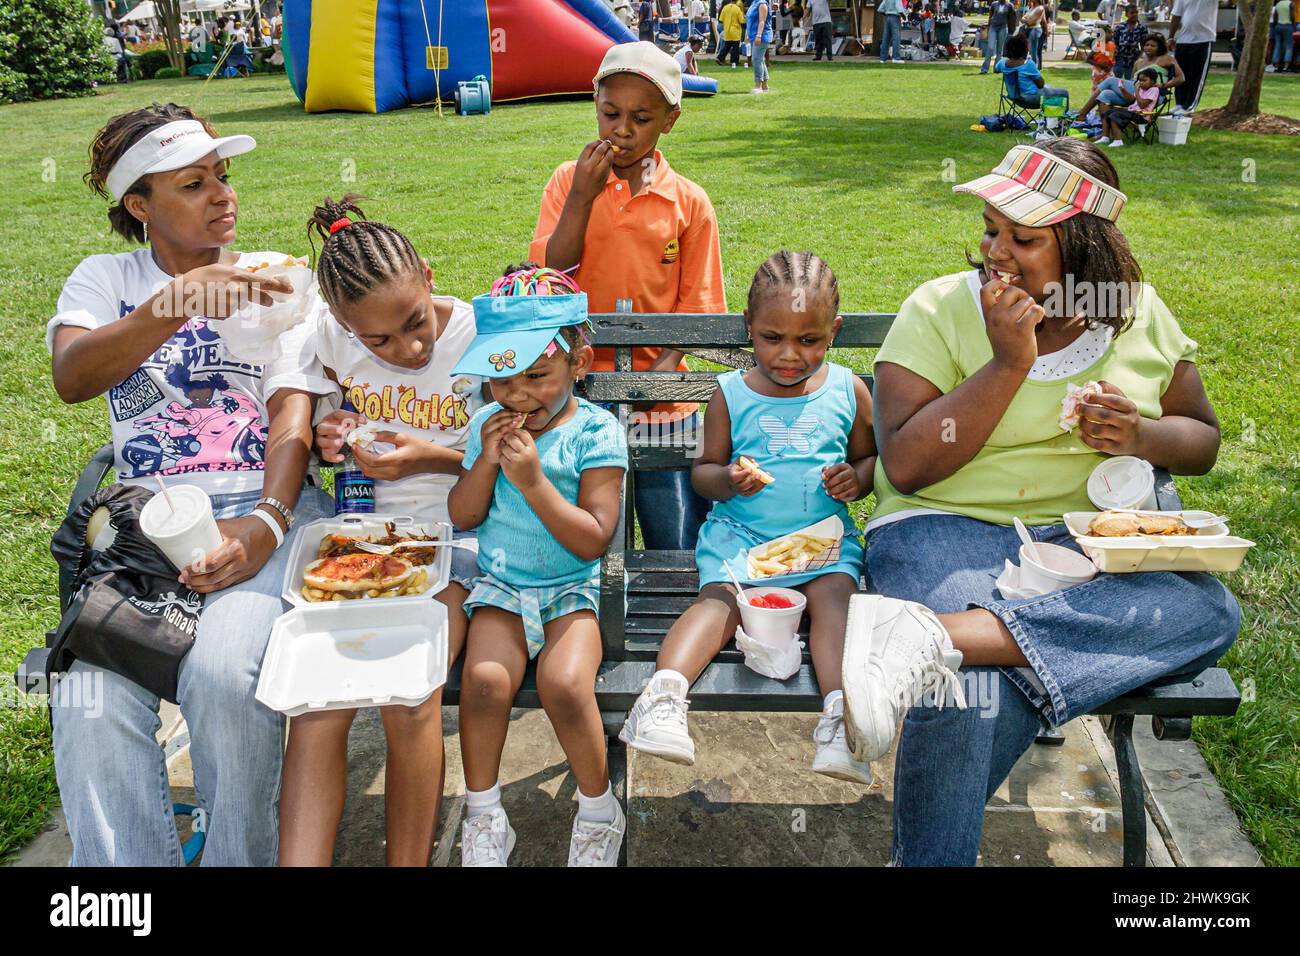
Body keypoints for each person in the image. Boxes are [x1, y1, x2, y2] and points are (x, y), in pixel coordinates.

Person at [851, 138, 1240, 866]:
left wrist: (1141, 434)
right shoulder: (939, 307)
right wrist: (1007, 364)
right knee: (970, 694)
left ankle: (930, 634)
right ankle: (953, 649)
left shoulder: (1135, 313)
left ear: (1085, 248)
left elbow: (1204, 441)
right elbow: (906, 464)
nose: (996, 250)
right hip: (943, 525)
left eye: (1023, 237)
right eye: (992, 229)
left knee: (1209, 611)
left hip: (1081, 542)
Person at [47, 103, 332, 866]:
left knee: (223, 675)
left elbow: (291, 411)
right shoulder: (108, 280)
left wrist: (268, 522)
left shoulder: (275, 277)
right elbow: (73, 376)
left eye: (224, 177)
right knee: (87, 697)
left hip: (260, 510)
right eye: (194, 183)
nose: (223, 195)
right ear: (139, 205)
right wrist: (177, 301)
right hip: (147, 526)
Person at [274, 197, 483, 867]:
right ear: (341, 323)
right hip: (364, 538)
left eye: (415, 323)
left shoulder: (480, 338)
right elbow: (323, 431)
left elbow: (514, 461)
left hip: (461, 536)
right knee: (314, 702)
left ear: (427, 275)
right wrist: (331, 434)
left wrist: (426, 456)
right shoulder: (329, 341)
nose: (408, 348)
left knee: (410, 694)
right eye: (380, 341)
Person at [619, 252, 876, 784]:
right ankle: (664, 695)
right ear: (748, 330)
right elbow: (703, 473)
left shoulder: (849, 390)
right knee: (719, 604)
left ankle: (838, 717)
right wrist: (730, 479)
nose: (788, 355)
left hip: (821, 545)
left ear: (835, 331)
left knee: (837, 603)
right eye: (771, 337)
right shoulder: (731, 395)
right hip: (742, 539)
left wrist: (857, 478)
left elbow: (868, 459)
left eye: (809, 341)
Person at [447, 270, 627, 867]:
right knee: (484, 681)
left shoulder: (597, 432)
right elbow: (464, 513)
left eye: (536, 376)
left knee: (566, 683)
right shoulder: (484, 427)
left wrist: (531, 480)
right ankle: (484, 811)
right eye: (502, 378)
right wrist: (488, 466)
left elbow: (593, 540)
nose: (518, 395)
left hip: (570, 586)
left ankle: (599, 809)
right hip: (501, 584)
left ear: (580, 362)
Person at [529, 42, 725, 553]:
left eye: (641, 118)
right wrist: (580, 196)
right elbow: (550, 278)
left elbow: (699, 308)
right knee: (585, 531)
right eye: (610, 113)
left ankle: (673, 608)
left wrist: (657, 377)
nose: (621, 130)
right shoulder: (566, 183)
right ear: (594, 103)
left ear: (670, 120)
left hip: (664, 400)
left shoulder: (689, 202)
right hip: (579, 390)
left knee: (675, 534)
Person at [1076, 33, 1182, 119]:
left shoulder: (1166, 59)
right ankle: (1106, 133)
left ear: (1159, 48)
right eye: (1146, 45)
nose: (1148, 47)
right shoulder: (1139, 62)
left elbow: (1181, 78)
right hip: (1134, 94)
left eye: (1153, 45)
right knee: (1105, 94)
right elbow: (1132, 81)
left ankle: (1082, 114)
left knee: (1110, 81)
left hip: (1152, 94)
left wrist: (1163, 85)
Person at [996, 32, 1069, 107]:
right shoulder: (1028, 64)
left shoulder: (1002, 63)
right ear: (1024, 49)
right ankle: (1061, 117)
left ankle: (1052, 115)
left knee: (1048, 87)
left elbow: (996, 69)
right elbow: (1041, 84)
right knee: (1064, 92)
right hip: (1031, 99)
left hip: (1014, 98)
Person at [1169, 0, 1217, 113]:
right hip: (1183, 39)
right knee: (1180, 74)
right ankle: (1179, 103)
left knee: (1196, 75)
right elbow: (1176, 15)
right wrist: (1170, 37)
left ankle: (1189, 106)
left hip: (1204, 39)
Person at [1097, 66, 1161, 146]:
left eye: (1144, 80)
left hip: (1142, 116)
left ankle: (1118, 141)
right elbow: (1131, 100)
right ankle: (1105, 137)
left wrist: (1137, 91)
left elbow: (1142, 105)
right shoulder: (1141, 89)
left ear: (1152, 81)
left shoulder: (1154, 90)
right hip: (1133, 112)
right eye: (1140, 80)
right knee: (1107, 113)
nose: (1141, 82)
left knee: (1114, 115)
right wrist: (1122, 89)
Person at [1112, 2, 1148, 79]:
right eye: (1132, 13)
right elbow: (1114, 42)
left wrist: (1140, 58)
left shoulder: (1142, 28)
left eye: (1136, 12)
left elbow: (1144, 45)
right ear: (1126, 14)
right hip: (1120, 59)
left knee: (1131, 81)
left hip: (1133, 60)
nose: (1135, 14)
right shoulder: (1120, 27)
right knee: (1115, 81)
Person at [980, 0, 1015, 72]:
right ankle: (984, 68)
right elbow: (990, 16)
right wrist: (988, 26)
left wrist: (1011, 30)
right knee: (990, 47)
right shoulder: (994, 4)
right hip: (993, 27)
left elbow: (1012, 18)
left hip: (1003, 28)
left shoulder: (1010, 5)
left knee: (999, 50)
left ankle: (997, 68)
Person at [747, 0, 773, 91]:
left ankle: (758, 85)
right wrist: (747, 34)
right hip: (753, 35)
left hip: (762, 36)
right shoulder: (754, 3)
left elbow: (762, 21)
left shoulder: (762, 4)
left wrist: (759, 35)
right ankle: (765, 85)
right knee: (760, 59)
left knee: (756, 59)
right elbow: (750, 20)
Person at [1267, 0, 1296, 72]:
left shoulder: (1278, 4)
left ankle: (1276, 65)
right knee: (1289, 46)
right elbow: (1292, 16)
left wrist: (1276, 25)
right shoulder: (1291, 3)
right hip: (1288, 25)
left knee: (1277, 45)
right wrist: (1293, 25)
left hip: (1278, 26)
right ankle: (1286, 66)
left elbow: (1275, 16)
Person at [717, 0, 745, 64]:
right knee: (735, 47)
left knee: (727, 46)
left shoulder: (725, 7)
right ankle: (734, 61)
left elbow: (721, 19)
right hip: (735, 30)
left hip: (727, 30)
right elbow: (741, 20)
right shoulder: (737, 9)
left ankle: (720, 58)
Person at [1021, 0, 1046, 67]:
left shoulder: (1040, 8)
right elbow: (1022, 18)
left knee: (1033, 49)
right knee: (1029, 48)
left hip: (1035, 29)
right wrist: (1027, 20)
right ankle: (1032, 65)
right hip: (1029, 29)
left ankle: (1034, 66)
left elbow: (1033, 22)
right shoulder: (1032, 8)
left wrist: (1026, 20)